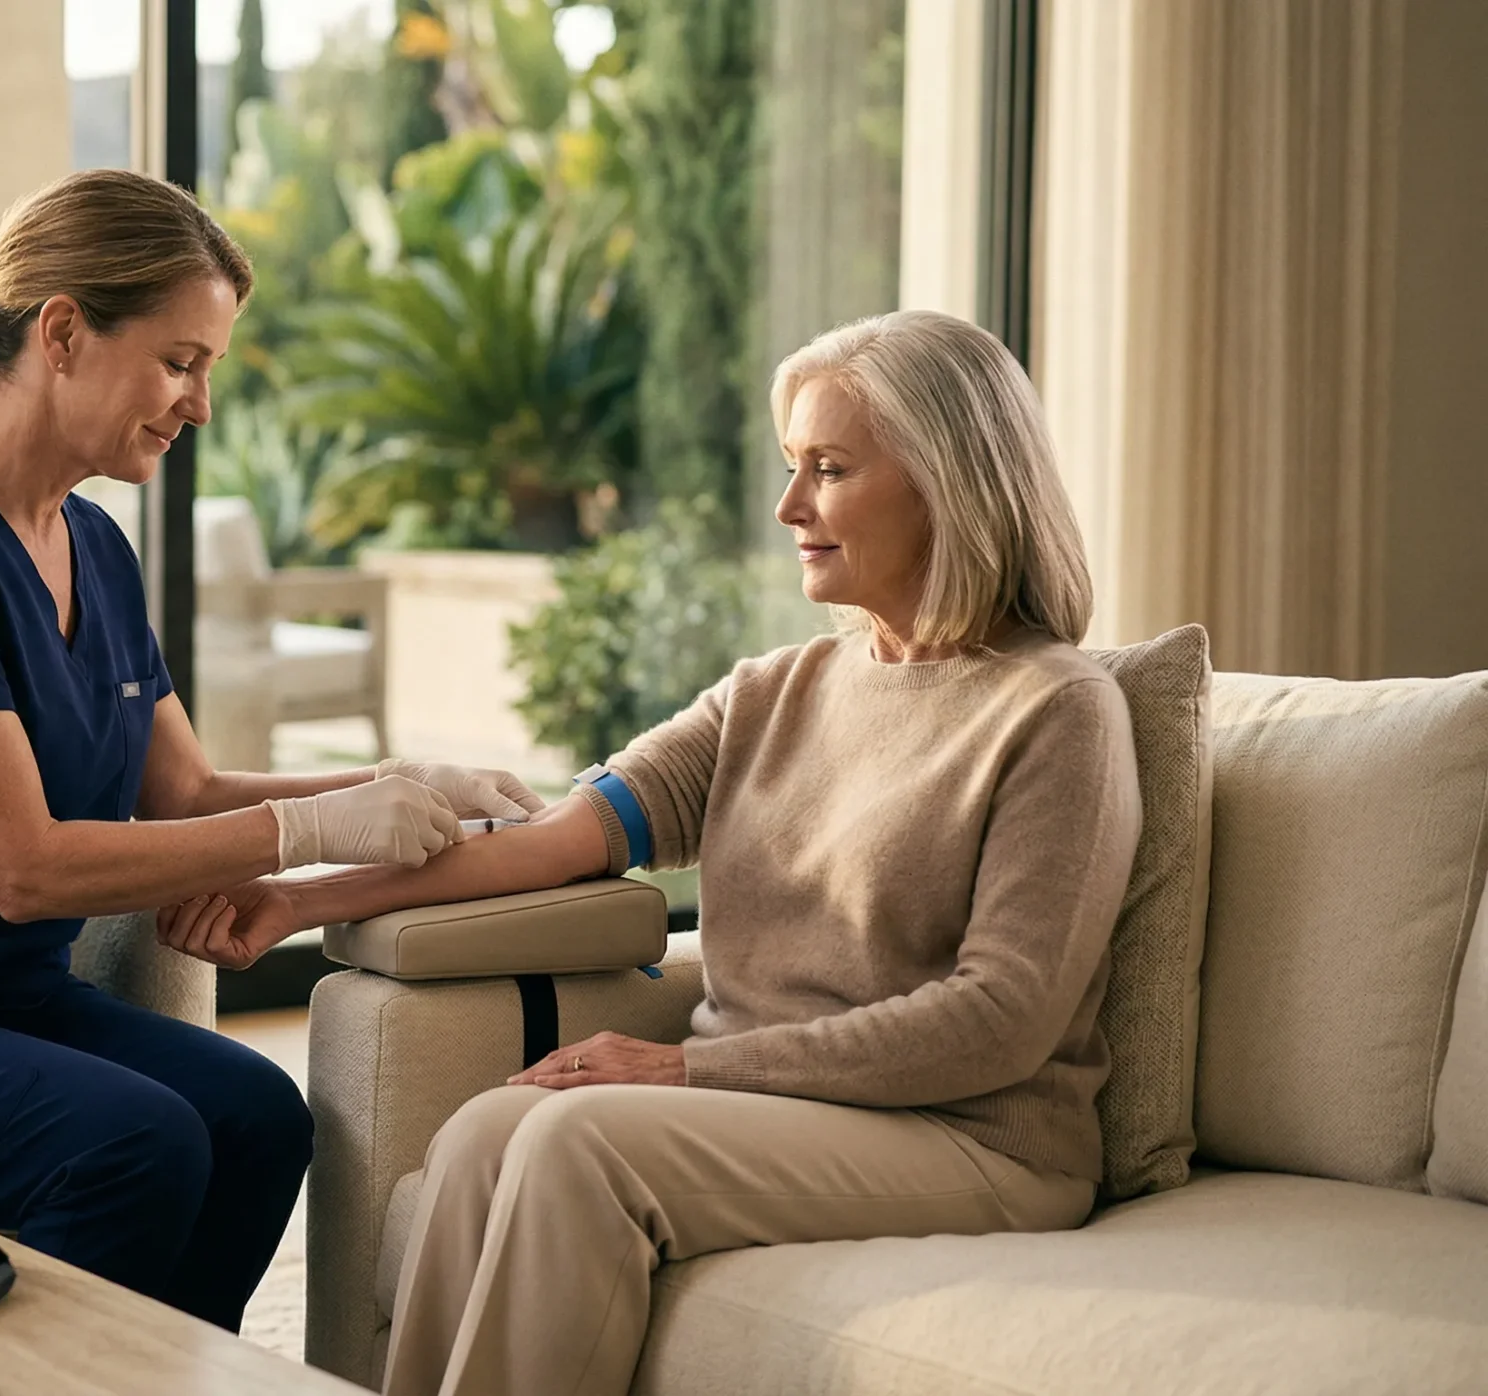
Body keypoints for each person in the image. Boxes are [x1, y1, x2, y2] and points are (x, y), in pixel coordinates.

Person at [158, 309, 1143, 1390]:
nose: (788, 506)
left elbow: (1000, 1021)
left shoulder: (1056, 711)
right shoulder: (776, 692)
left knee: (576, 1149)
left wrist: (686, 1063)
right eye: (789, 466)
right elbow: (548, 844)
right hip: (773, 1106)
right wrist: (300, 899)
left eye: (829, 468)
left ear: (947, 483)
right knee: (492, 1129)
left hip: (975, 1136)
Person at [0, 169, 540, 1331]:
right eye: (180, 361)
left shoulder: (91, 541)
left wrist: (398, 784)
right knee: (134, 1144)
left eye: (210, 371)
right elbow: (21, 866)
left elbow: (180, 789)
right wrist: (309, 828)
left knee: (256, 1115)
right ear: (62, 333)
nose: (198, 404)